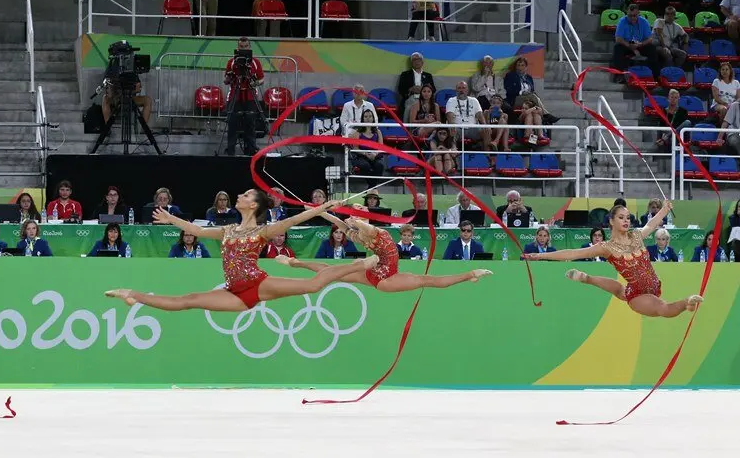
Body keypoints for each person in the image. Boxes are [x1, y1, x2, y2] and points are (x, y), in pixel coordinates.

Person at [104, 193, 375, 312]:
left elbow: (293, 220)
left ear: (254, 205)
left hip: (257, 284)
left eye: (245, 195)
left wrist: (322, 208)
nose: (240, 197)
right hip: (235, 292)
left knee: (313, 285)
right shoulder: (228, 230)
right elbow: (195, 230)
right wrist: (170, 219)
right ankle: (133, 294)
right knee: (189, 300)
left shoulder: (263, 231)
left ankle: (359, 265)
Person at [523, 201, 702, 318]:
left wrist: (664, 209)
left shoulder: (637, 236)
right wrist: (539, 255)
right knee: (662, 308)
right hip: (638, 295)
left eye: (628, 218)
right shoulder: (606, 247)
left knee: (620, 291)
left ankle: (586, 278)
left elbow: (651, 224)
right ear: (611, 221)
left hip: (653, 285)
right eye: (621, 218)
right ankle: (686, 303)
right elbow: (573, 253)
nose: (626, 221)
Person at [280, 205, 490, 292]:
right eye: (358, 210)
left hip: (385, 274)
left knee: (428, 280)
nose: (359, 212)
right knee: (332, 272)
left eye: (362, 210)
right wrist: (318, 211)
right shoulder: (356, 233)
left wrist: (355, 219)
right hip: (381, 278)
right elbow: (337, 221)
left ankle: (470, 274)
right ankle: (295, 263)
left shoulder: (372, 231)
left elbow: (365, 226)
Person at [223, 36, 264, 156]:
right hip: (234, 96)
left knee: (250, 124)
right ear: (238, 47)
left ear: (249, 47)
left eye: (246, 47)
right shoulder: (231, 62)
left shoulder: (255, 62)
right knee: (232, 124)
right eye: (241, 47)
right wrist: (229, 78)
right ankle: (230, 151)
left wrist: (254, 83)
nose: (243, 49)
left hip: (250, 96)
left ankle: (251, 151)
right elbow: (226, 81)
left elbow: (261, 79)